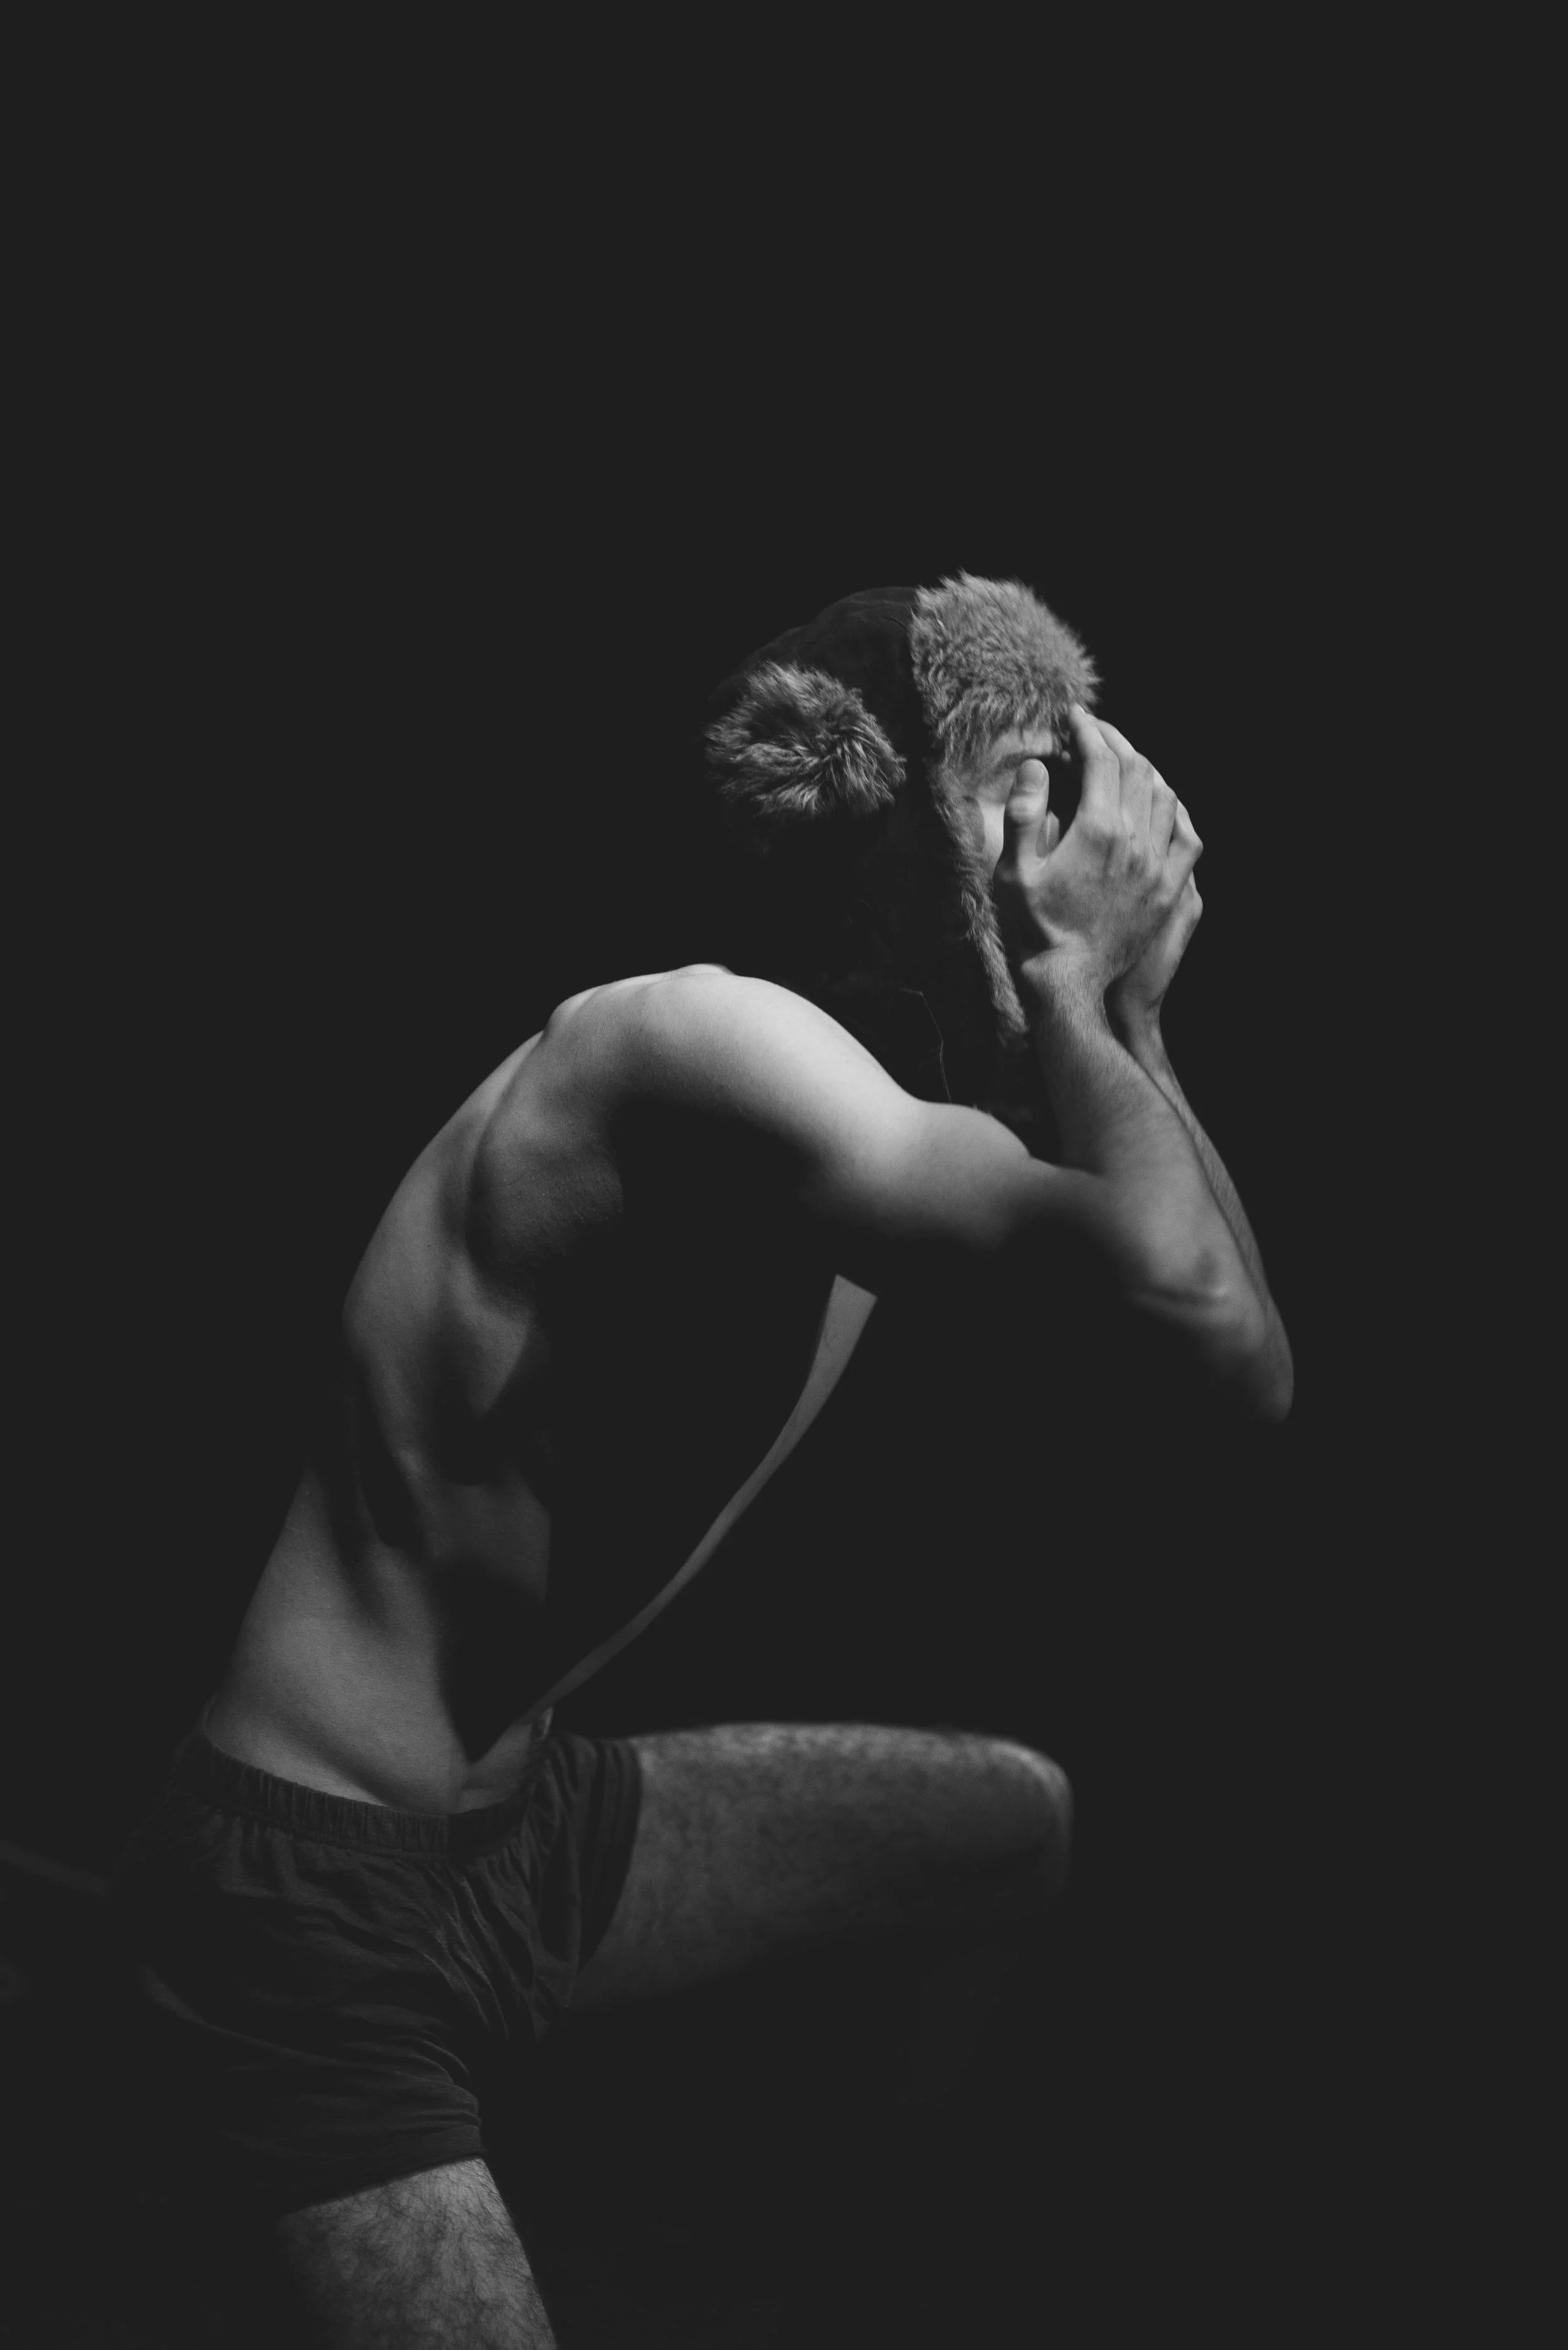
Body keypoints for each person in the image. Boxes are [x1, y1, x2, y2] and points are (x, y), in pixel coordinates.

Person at [110, 575, 1291, 2347]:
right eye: (1036, 807)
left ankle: (833, 2274)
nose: (1086, 851)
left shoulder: (875, 1120)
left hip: (519, 1837)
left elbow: (1237, 1367)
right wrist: (1080, 985)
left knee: (1008, 1830)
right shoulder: (696, 1047)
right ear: (906, 825)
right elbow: (1189, 1306)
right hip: (303, 1905)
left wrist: (1119, 1017)